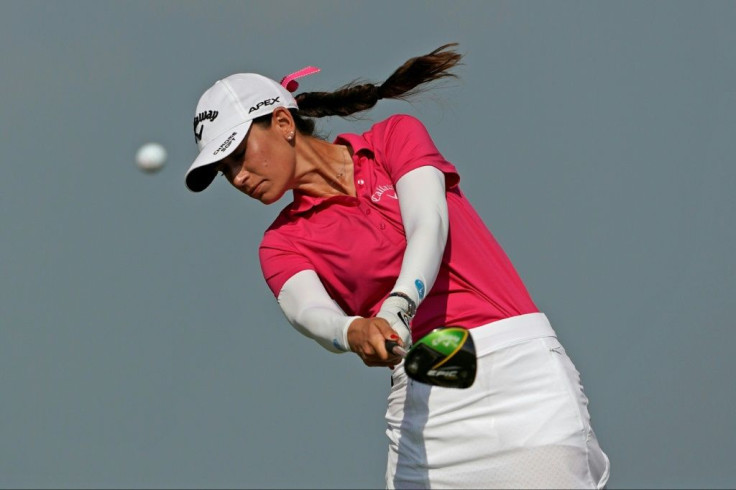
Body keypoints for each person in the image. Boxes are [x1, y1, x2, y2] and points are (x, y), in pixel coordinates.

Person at [185, 44, 610, 489]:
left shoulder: (393, 139)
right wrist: (353, 331)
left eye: (238, 154)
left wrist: (396, 308)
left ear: (283, 123)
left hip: (517, 373)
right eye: (224, 169)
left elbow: (428, 223)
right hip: (426, 397)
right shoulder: (281, 242)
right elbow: (309, 312)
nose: (236, 177)